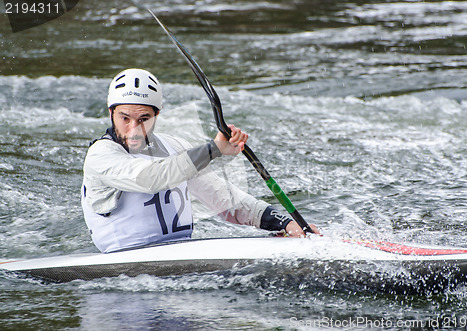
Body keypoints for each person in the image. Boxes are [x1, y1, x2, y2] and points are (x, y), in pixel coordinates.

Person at [81, 68, 319, 253]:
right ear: (110, 112)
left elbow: (227, 201)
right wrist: (214, 149)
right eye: (125, 118)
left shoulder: (173, 147)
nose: (134, 129)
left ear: (157, 115)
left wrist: (284, 223)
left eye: (144, 118)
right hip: (124, 269)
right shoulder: (101, 155)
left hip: (178, 259)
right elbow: (149, 178)